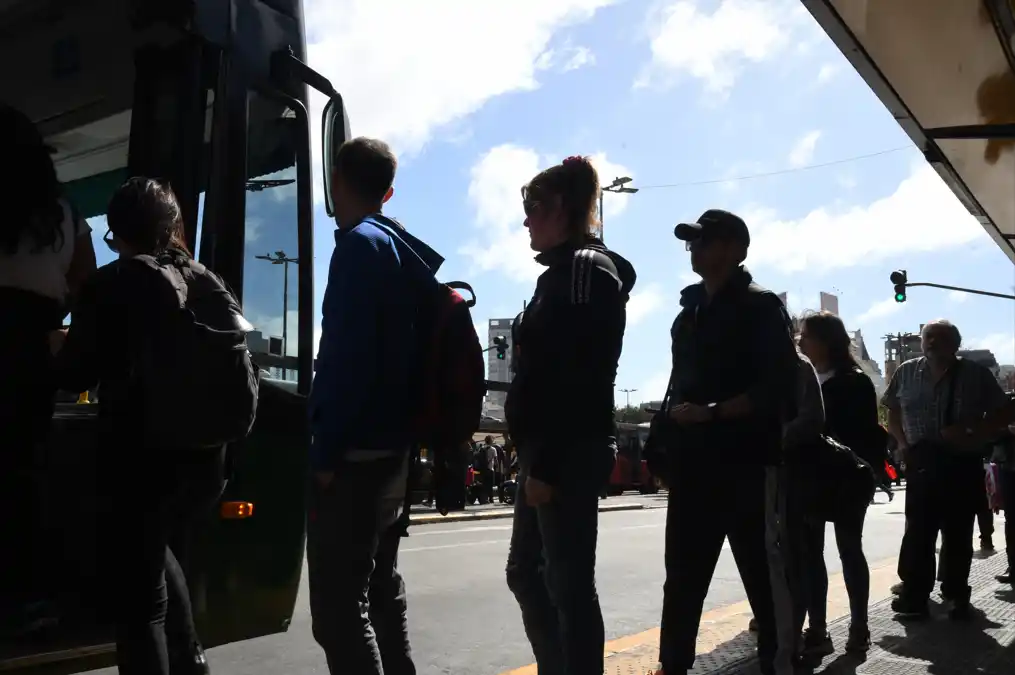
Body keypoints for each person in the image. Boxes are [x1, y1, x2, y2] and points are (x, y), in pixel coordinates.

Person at [51, 178, 227, 674]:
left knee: (139, 603)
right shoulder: (202, 277)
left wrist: (53, 348)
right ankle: (191, 663)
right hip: (206, 463)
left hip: (142, 461)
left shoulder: (114, 284)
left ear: (117, 233)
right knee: (154, 553)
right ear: (171, 227)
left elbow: (74, 375)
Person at [308, 137, 443, 675]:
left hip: (356, 455)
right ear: (388, 191)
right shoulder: (399, 247)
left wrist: (324, 457)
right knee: (381, 586)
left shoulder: (357, 247)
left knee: (339, 615)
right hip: (395, 449)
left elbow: (346, 362)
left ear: (336, 179)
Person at [504, 155, 635, 675]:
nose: (526, 219)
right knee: (530, 574)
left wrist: (548, 468)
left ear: (563, 208)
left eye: (533, 207)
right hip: (547, 450)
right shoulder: (561, 274)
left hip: (564, 452)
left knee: (566, 583)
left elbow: (581, 376)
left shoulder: (583, 270)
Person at [653, 209, 799, 675]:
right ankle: (673, 666)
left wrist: (712, 413)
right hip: (692, 468)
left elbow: (776, 389)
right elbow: (679, 386)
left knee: (762, 576)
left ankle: (778, 663)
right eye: (692, 242)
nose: (695, 249)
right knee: (681, 582)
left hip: (746, 466)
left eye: (706, 240)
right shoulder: (689, 313)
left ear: (736, 249)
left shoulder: (761, 307)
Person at [0, 104, 97, 634]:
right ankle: (22, 598)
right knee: (20, 474)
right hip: (29, 358)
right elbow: (88, 290)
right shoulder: (65, 216)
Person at [885, 319, 1010, 619]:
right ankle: (915, 593)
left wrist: (970, 429)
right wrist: (902, 444)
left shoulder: (975, 374)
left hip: (960, 462)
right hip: (920, 460)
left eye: (939, 338)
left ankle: (955, 592)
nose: (931, 343)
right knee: (918, 531)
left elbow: (1004, 412)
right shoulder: (906, 372)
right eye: (928, 337)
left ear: (955, 344)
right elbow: (892, 410)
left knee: (957, 530)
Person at [797, 311, 880, 655]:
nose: (799, 341)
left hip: (845, 478)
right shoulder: (804, 377)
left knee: (849, 549)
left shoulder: (854, 380)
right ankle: (817, 628)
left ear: (826, 340)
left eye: (806, 335)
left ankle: (858, 625)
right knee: (810, 554)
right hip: (809, 477)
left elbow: (864, 434)